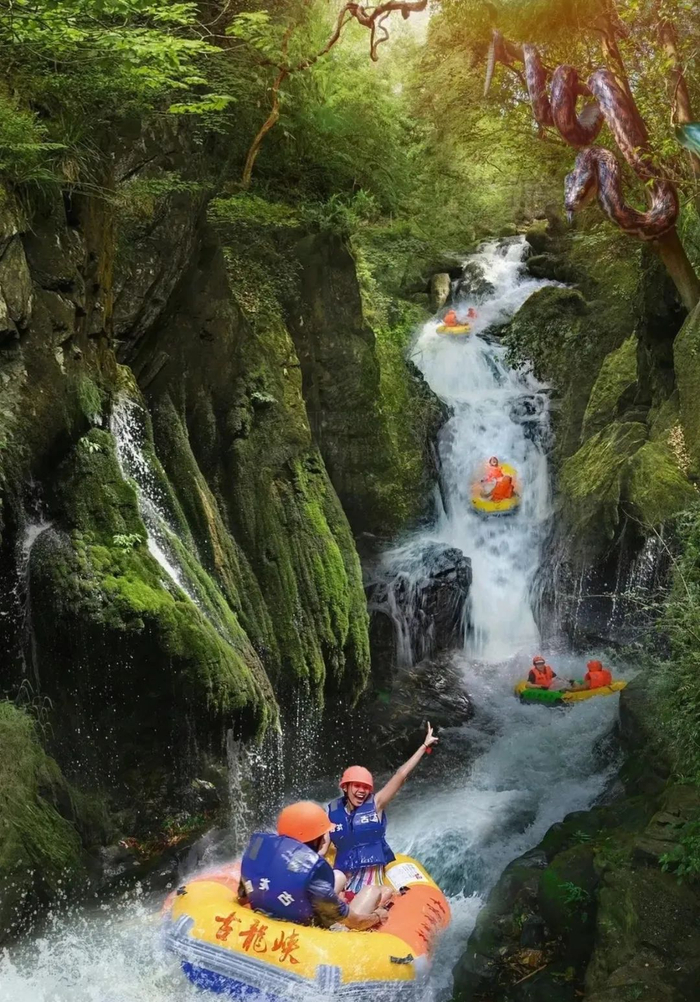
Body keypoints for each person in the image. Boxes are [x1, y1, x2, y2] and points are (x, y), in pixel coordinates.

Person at [328, 723, 439, 899]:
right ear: (345, 787)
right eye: (356, 786)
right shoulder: (333, 812)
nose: (361, 791)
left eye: (366, 787)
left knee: (363, 898)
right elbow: (322, 847)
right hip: (343, 876)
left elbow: (400, 776)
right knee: (335, 883)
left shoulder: (376, 804)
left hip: (368, 880)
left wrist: (424, 746)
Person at [239, 801, 386, 930]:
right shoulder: (313, 873)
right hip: (306, 931)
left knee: (338, 876)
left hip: (273, 913)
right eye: (322, 835)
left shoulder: (258, 849)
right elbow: (356, 923)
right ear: (315, 839)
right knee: (373, 891)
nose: (324, 840)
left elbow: (243, 897)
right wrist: (377, 916)